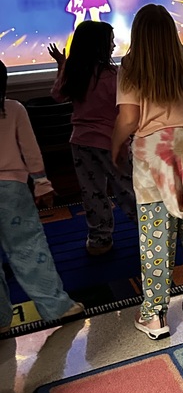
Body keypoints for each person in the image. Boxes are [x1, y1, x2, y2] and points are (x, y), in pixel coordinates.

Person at [111, 4, 183, 340]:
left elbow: (128, 118)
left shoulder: (131, 66)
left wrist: (113, 146)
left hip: (152, 157)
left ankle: (155, 315)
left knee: (157, 237)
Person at [0, 60, 84, 333]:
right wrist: (42, 183)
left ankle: (1, 320)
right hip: (11, 190)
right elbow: (31, 151)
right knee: (28, 247)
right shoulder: (13, 109)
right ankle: (57, 307)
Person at [48, 21, 136, 255]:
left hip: (81, 143)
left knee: (92, 191)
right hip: (112, 143)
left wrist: (62, 66)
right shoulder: (112, 75)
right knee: (127, 188)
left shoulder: (75, 73)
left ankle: (99, 239)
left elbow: (57, 95)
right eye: (110, 41)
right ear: (99, 46)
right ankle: (149, 228)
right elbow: (125, 110)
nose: (114, 45)